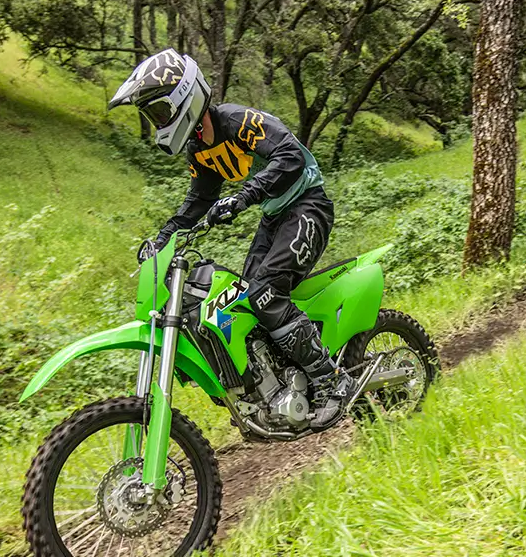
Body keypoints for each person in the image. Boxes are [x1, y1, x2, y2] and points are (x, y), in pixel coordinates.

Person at [107, 48, 353, 429]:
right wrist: (163, 239)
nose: (159, 122)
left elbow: (290, 155)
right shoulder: (199, 149)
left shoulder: (237, 121)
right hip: (275, 215)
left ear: (184, 99)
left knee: (265, 293)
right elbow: (199, 201)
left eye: (160, 112)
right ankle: (280, 388)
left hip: (308, 205)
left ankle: (331, 379)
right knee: (244, 300)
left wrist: (242, 197)